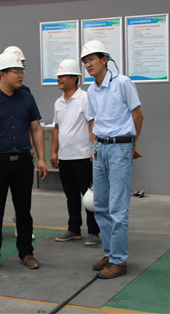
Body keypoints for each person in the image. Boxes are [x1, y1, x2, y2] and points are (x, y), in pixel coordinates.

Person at [0, 51, 47, 273]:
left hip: (22, 161)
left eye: (22, 71)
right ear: (2, 74)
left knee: (24, 210)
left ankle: (26, 252)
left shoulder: (27, 98)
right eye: (16, 71)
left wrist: (41, 158)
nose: (21, 75)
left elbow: (36, 128)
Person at [81, 40, 143, 280]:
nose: (88, 64)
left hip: (120, 148)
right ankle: (109, 253)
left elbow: (138, 115)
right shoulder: (91, 90)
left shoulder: (122, 83)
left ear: (104, 60)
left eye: (92, 59)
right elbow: (95, 120)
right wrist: (95, 145)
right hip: (100, 148)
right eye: (85, 61)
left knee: (117, 207)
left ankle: (119, 260)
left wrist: (132, 144)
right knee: (101, 205)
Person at [50, 59, 100, 246]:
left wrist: (94, 149)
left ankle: (93, 231)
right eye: (58, 76)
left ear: (74, 78)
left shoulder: (85, 98)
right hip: (65, 158)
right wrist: (54, 152)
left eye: (62, 76)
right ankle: (74, 229)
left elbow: (92, 124)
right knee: (71, 196)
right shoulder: (57, 103)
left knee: (89, 197)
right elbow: (57, 128)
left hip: (83, 157)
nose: (59, 79)